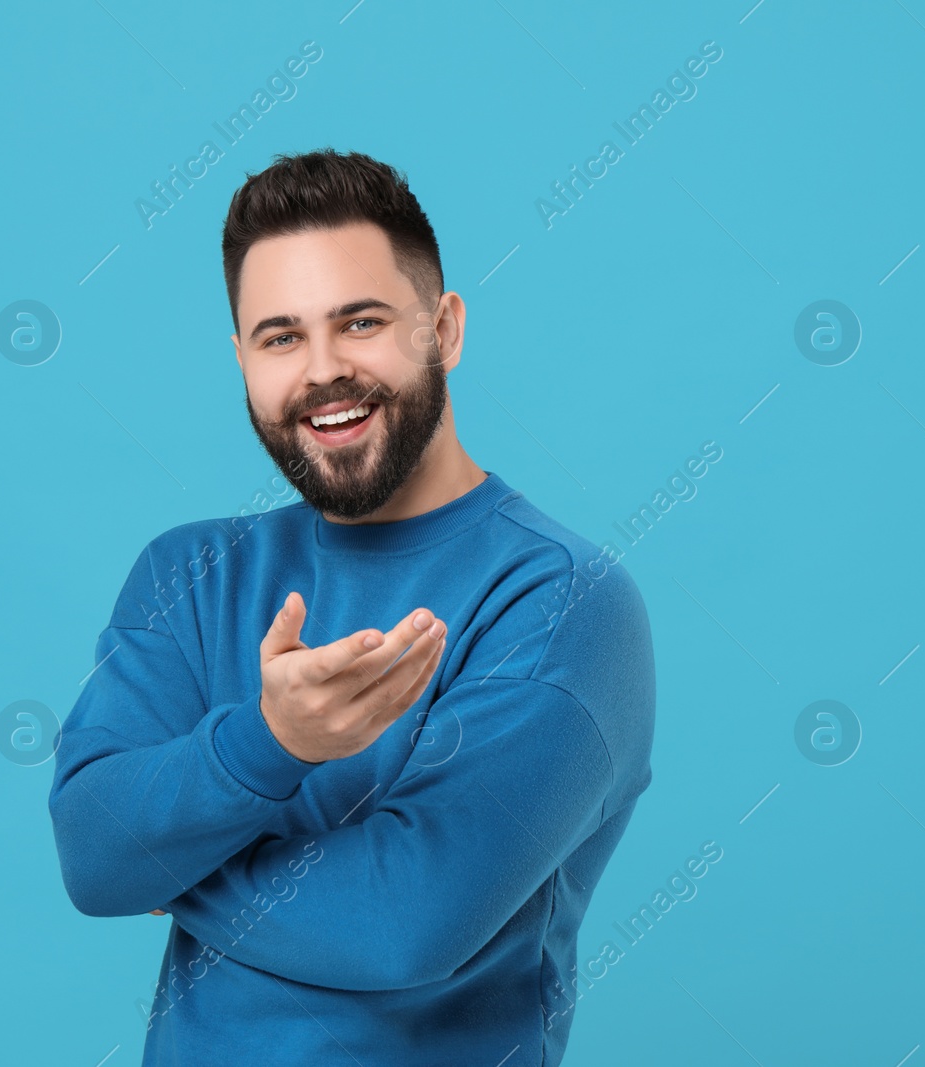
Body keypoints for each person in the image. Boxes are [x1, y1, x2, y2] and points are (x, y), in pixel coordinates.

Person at [47, 148, 656, 1066]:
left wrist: (172, 858)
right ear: (243, 357)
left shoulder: (564, 599)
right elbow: (92, 856)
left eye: (361, 321)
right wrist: (269, 743)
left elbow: (405, 923)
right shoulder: (189, 574)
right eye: (280, 336)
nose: (323, 372)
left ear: (443, 330)